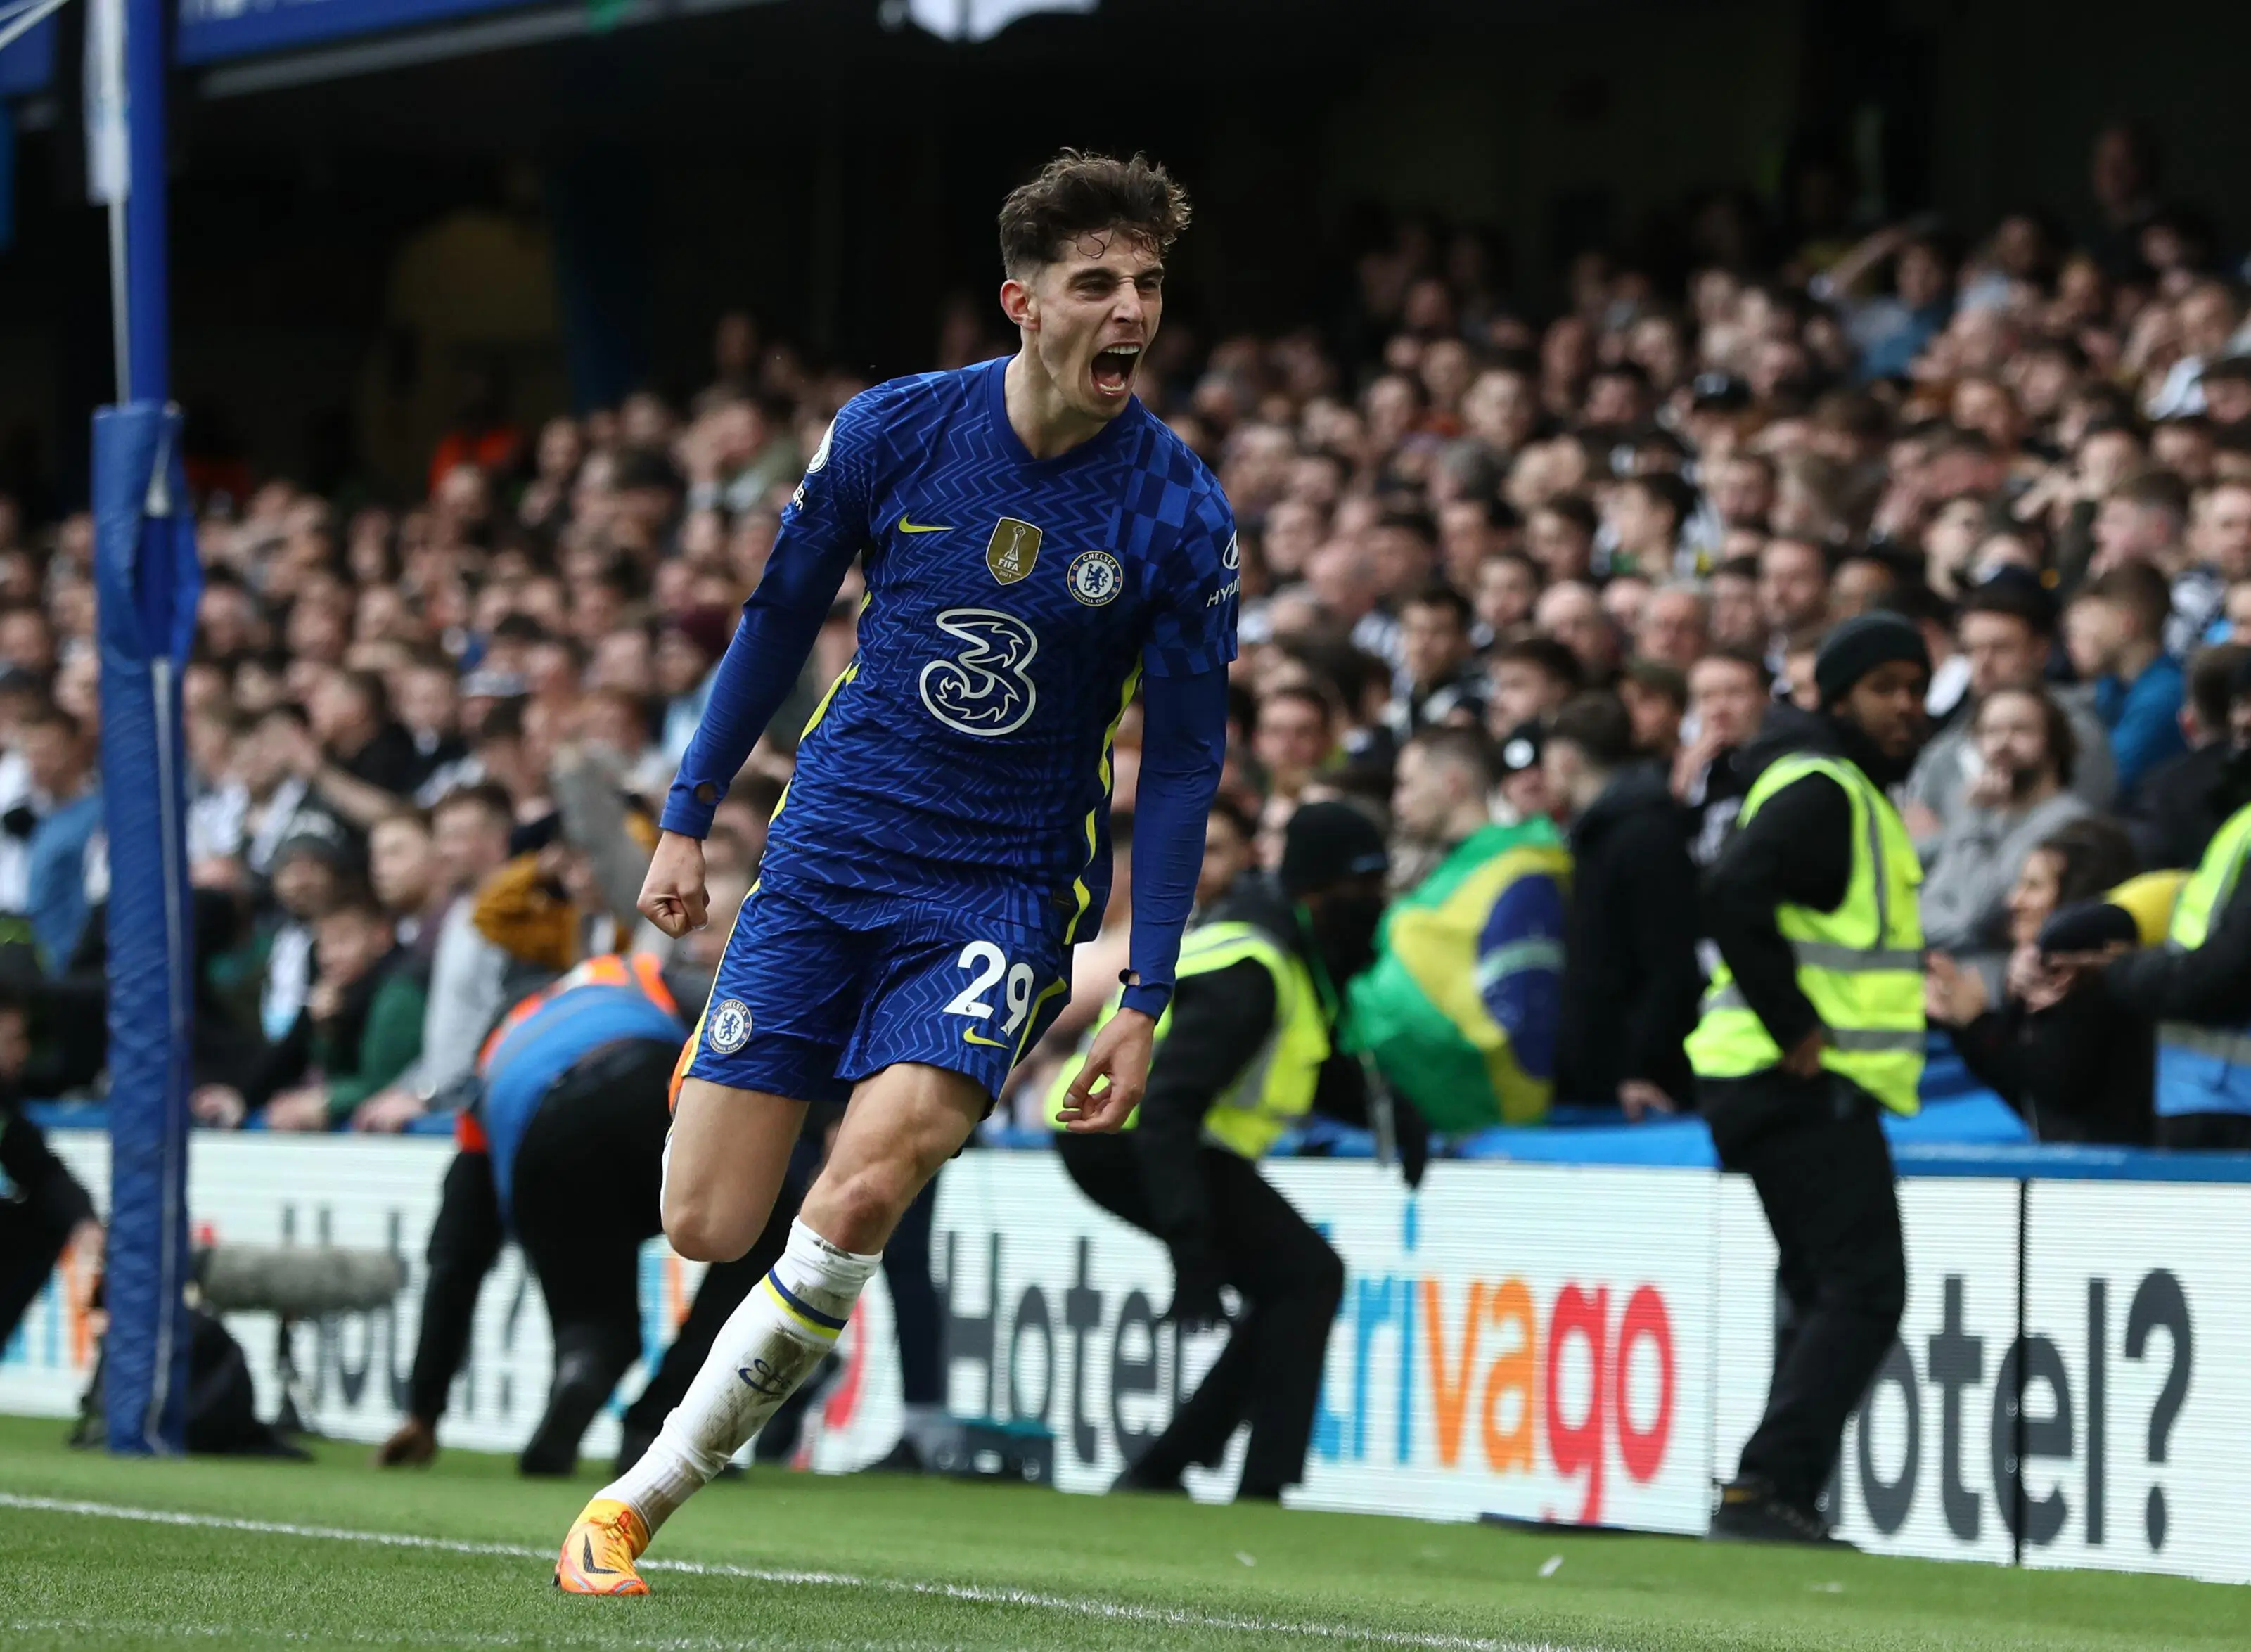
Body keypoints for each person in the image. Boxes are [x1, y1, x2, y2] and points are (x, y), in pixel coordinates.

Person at [556, 152, 1236, 1594]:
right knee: (707, 1223)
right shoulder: (892, 431)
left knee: (866, 1189)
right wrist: (684, 817)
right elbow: (776, 611)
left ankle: (633, 1500)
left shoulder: (1177, 509)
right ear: (1022, 303)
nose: (1131, 312)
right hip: (828, 850)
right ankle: (762, 1081)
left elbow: (1177, 766)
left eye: (1148, 286)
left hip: (1002, 886)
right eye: (1097, 284)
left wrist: (1144, 988)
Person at [1048, 803, 1386, 1499]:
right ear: (1318, 892)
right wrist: (1190, 1245)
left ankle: (1175, 1466)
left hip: (1132, 1131)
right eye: (1362, 891)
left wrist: (1395, 1116)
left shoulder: (1277, 948)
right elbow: (1169, 1105)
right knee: (1306, 1276)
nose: (1374, 908)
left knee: (1292, 1282)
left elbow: (1311, 1066)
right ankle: (1251, 1482)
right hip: (1123, 1134)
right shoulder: (1255, 969)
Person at [1688, 612, 1931, 1544]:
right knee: (1865, 1286)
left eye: (1917, 686)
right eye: (1885, 687)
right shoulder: (1825, 788)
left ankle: (1778, 1496)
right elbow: (1730, 891)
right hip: (1791, 1080)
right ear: (1833, 698)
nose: (1907, 705)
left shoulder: (1833, 785)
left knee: (1821, 1283)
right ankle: (1767, 1485)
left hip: (1769, 1082)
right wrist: (1794, 1024)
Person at [378, 948, 782, 1478]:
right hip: (646, 1084)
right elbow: (741, 1021)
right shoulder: (633, 970)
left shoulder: (496, 1051)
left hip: (536, 1131)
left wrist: (424, 1408)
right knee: (770, 1222)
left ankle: (583, 1363)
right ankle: (662, 1418)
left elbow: (456, 1255)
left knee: (598, 1329)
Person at [1347, 729, 1568, 1131]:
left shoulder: (1517, 870)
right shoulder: (1457, 870)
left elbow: (1509, 1014)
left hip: (1496, 1117)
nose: (1399, 802)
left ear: (1452, 783)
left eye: (1408, 784)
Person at [1925, 818, 2150, 1145]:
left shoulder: (2107, 987)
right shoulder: (2037, 979)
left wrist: (1976, 1022)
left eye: (2033, 886)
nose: (2013, 901)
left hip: (2114, 1184)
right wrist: (1965, 1022)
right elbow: (2020, 1086)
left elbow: (2057, 1084)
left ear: (2075, 901)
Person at [1545, 693, 1701, 1118]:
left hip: (1634, 1089)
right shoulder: (1593, 834)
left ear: (1566, 758)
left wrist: (1642, 1069)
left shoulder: (1645, 835)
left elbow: (1669, 966)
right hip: (1596, 1077)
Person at [1918, 687, 2091, 983]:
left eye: (2020, 730)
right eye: (1990, 732)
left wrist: (1972, 817)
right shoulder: (1987, 817)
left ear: (2053, 742)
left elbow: (1979, 914)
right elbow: (1931, 899)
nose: (2001, 743)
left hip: (2003, 992)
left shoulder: (2068, 823)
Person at [2065, 563, 2186, 805]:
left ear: (2125, 623)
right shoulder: (2113, 685)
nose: (2072, 644)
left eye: (2082, 632)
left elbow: (2103, 780)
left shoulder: (2164, 697)